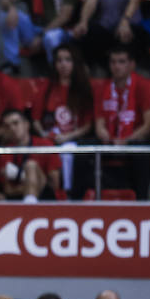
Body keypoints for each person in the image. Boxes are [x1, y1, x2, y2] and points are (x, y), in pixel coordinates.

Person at [92, 45, 150, 199]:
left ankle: (142, 201)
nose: (116, 66)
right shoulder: (103, 88)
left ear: (132, 65)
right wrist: (104, 134)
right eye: (113, 62)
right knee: (84, 150)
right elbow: (99, 123)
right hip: (111, 140)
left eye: (121, 62)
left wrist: (126, 140)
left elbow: (149, 125)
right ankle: (79, 200)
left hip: (136, 139)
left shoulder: (144, 86)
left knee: (140, 151)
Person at [32, 42, 97, 195]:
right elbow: (35, 120)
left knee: (68, 150)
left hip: (73, 138)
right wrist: (43, 134)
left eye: (68, 60)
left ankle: (68, 193)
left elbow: (88, 125)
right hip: (49, 137)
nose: (63, 64)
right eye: (59, 60)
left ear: (75, 63)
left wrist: (67, 137)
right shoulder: (47, 87)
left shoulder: (83, 88)